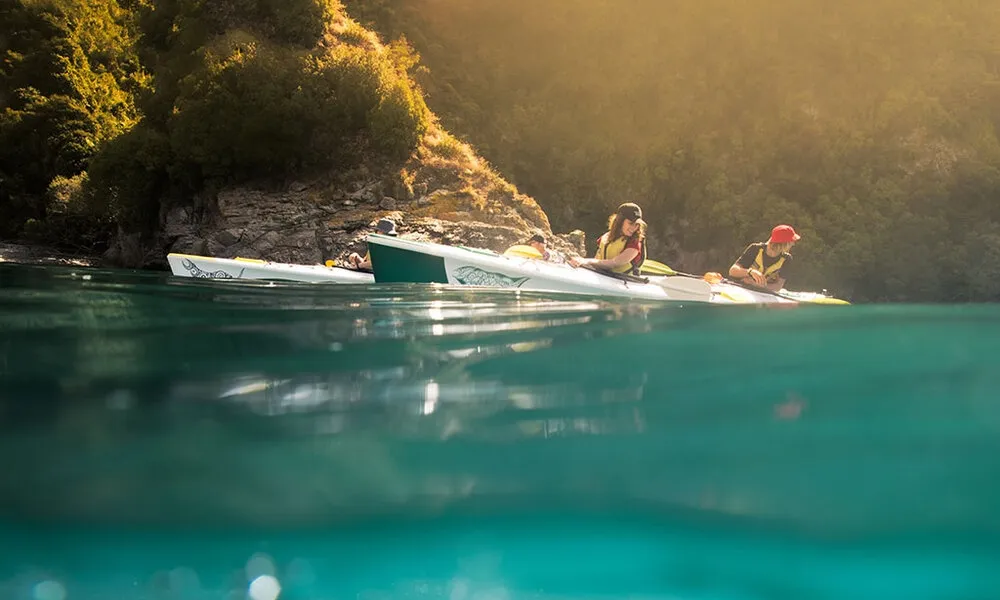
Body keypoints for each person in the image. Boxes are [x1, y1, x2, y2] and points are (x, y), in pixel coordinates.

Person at [569, 202, 647, 275]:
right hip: (603, 277)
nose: (633, 228)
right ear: (620, 221)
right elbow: (597, 259)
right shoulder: (605, 237)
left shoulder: (634, 243)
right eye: (630, 223)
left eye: (636, 225)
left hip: (623, 283)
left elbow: (615, 263)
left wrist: (586, 261)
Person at [728, 224, 800, 291]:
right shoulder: (755, 249)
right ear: (781, 243)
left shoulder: (787, 259)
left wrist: (755, 285)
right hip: (741, 290)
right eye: (791, 241)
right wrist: (750, 272)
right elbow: (732, 271)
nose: (793, 244)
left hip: (764, 295)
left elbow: (778, 287)